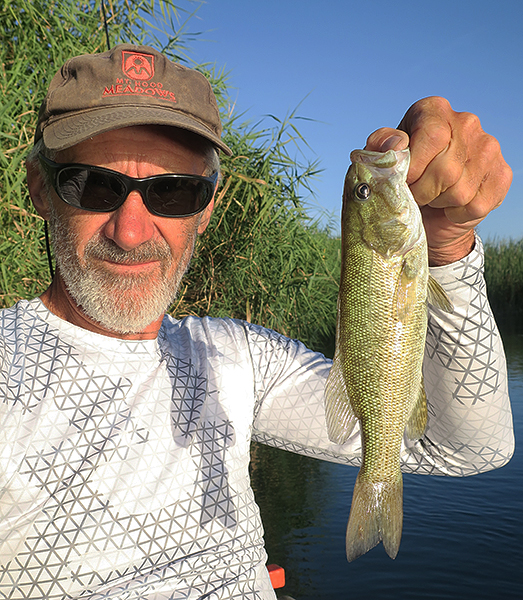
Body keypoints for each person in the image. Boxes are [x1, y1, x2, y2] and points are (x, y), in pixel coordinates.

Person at [0, 43, 514, 599]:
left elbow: (468, 449)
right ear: (39, 188)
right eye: (94, 186)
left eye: (174, 192)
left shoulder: (239, 358)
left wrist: (451, 252)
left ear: (209, 205)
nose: (131, 231)